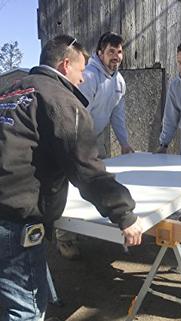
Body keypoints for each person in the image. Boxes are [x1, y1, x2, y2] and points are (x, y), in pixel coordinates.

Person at [0, 34, 144, 321]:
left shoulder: (10, 93)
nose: (82, 80)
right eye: (80, 71)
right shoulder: (60, 99)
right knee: (25, 310)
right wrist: (124, 215)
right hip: (15, 222)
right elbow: (86, 168)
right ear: (66, 65)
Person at [56, 32, 134, 259]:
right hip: (76, 137)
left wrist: (125, 144)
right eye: (111, 51)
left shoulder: (119, 81)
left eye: (119, 52)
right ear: (100, 53)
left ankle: (95, 222)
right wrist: (82, 148)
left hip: (95, 136)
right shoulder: (89, 76)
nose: (116, 56)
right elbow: (77, 112)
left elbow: (117, 115)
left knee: (101, 180)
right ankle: (65, 237)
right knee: (72, 183)